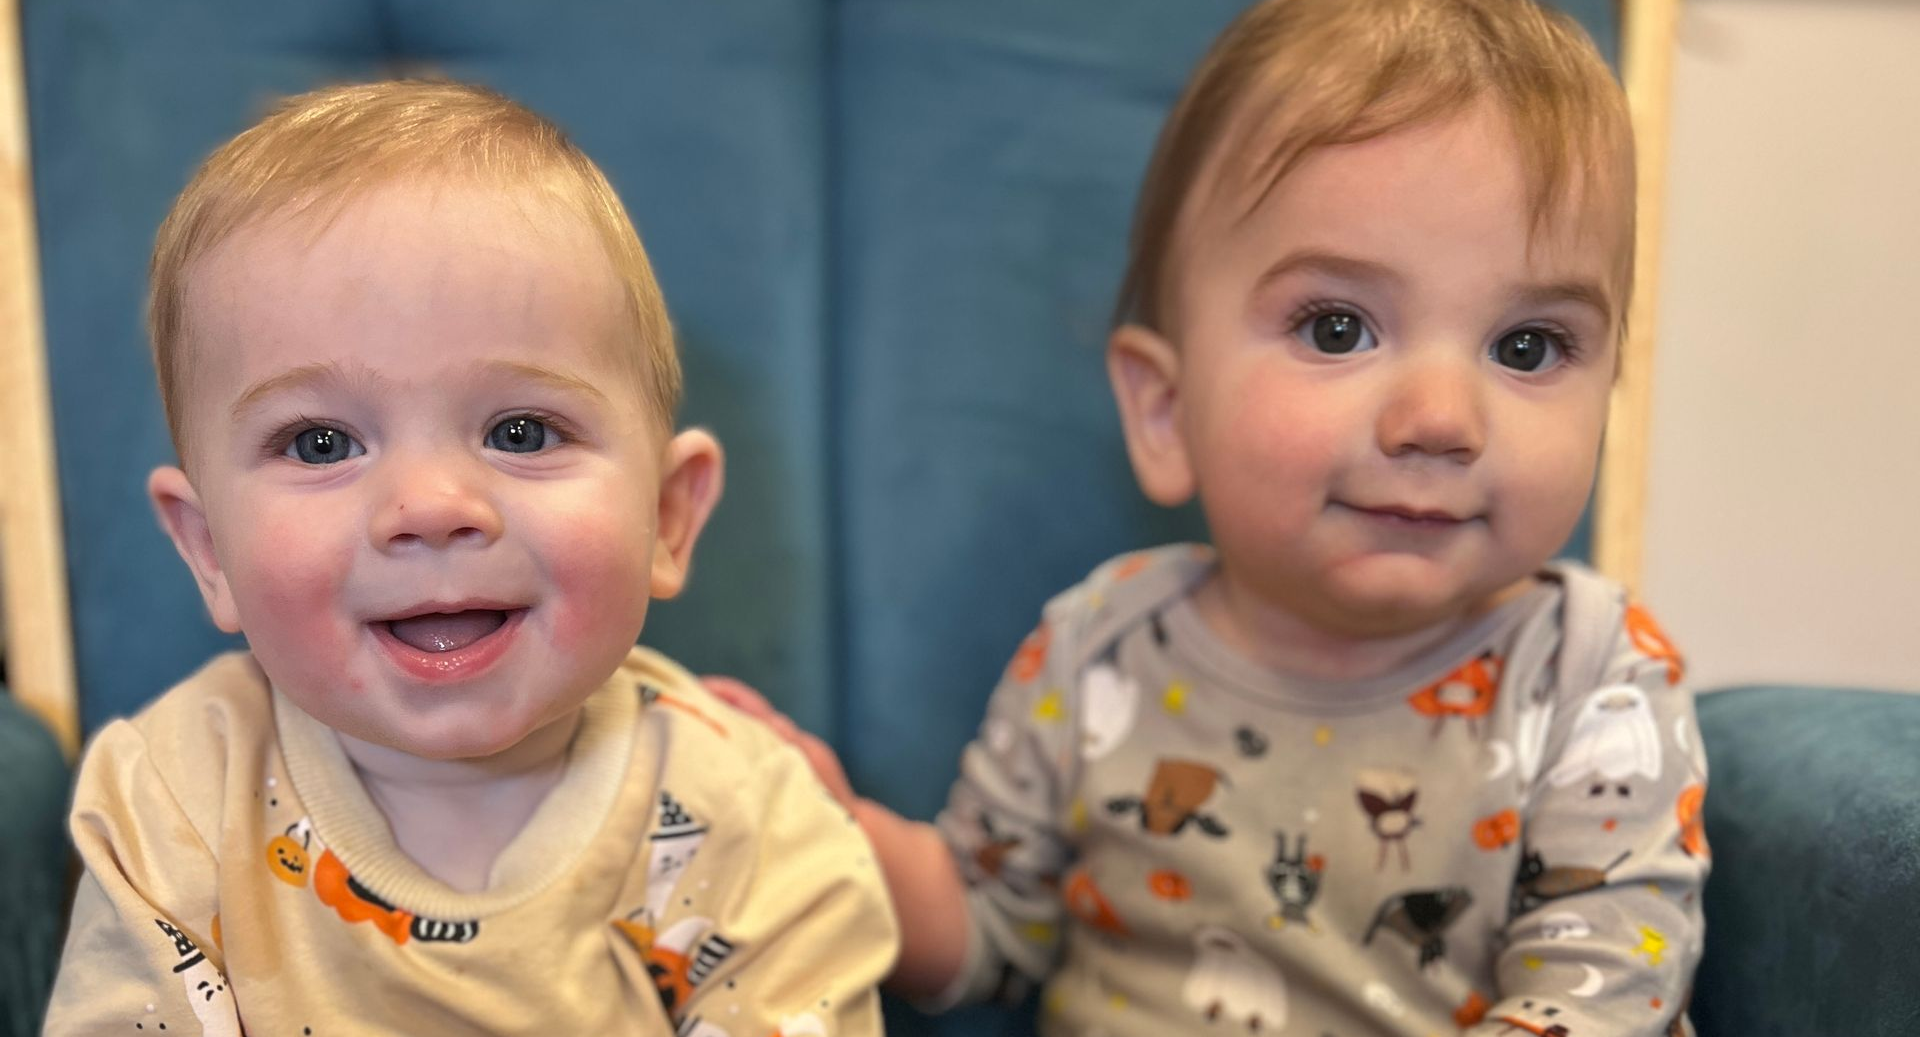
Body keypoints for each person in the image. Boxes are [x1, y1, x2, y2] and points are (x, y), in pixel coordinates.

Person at [713, 0, 1708, 1032]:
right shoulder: (1100, 647)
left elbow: (1600, 996)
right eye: (1337, 326)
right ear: (1164, 410)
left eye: (1529, 346)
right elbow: (982, 926)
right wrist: (834, 833)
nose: (1440, 419)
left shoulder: (1596, 676)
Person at [44, 80, 895, 1036]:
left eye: (523, 430)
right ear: (208, 550)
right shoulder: (173, 803)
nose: (432, 508)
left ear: (665, 516)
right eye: (322, 443)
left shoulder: (748, 823)